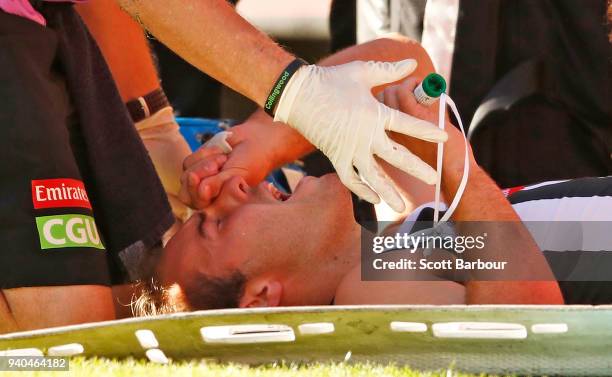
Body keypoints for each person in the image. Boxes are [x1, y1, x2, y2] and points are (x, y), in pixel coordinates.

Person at [0, 0, 444, 333]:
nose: (215, 192)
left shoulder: (372, 284)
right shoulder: (406, 232)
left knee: (63, 325)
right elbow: (405, 69)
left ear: (259, 299)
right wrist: (261, 140)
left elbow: (510, 278)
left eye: (203, 224)